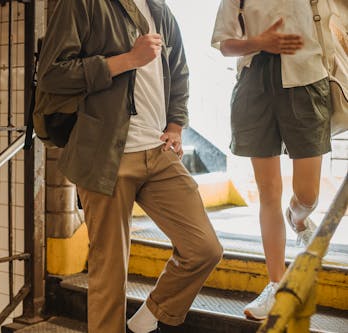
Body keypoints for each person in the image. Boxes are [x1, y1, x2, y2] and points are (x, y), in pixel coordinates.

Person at [38, 0, 223, 332]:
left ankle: (147, 320)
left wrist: (176, 126)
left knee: (204, 249)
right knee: (108, 277)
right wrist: (126, 61)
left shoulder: (161, 11)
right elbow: (51, 75)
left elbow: (179, 74)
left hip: (159, 152)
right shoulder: (82, 4)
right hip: (104, 153)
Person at [211, 0, 332, 320]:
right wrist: (259, 43)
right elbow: (224, 44)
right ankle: (275, 284)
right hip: (255, 85)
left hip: (307, 82)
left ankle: (300, 219)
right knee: (269, 192)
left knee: (308, 195)